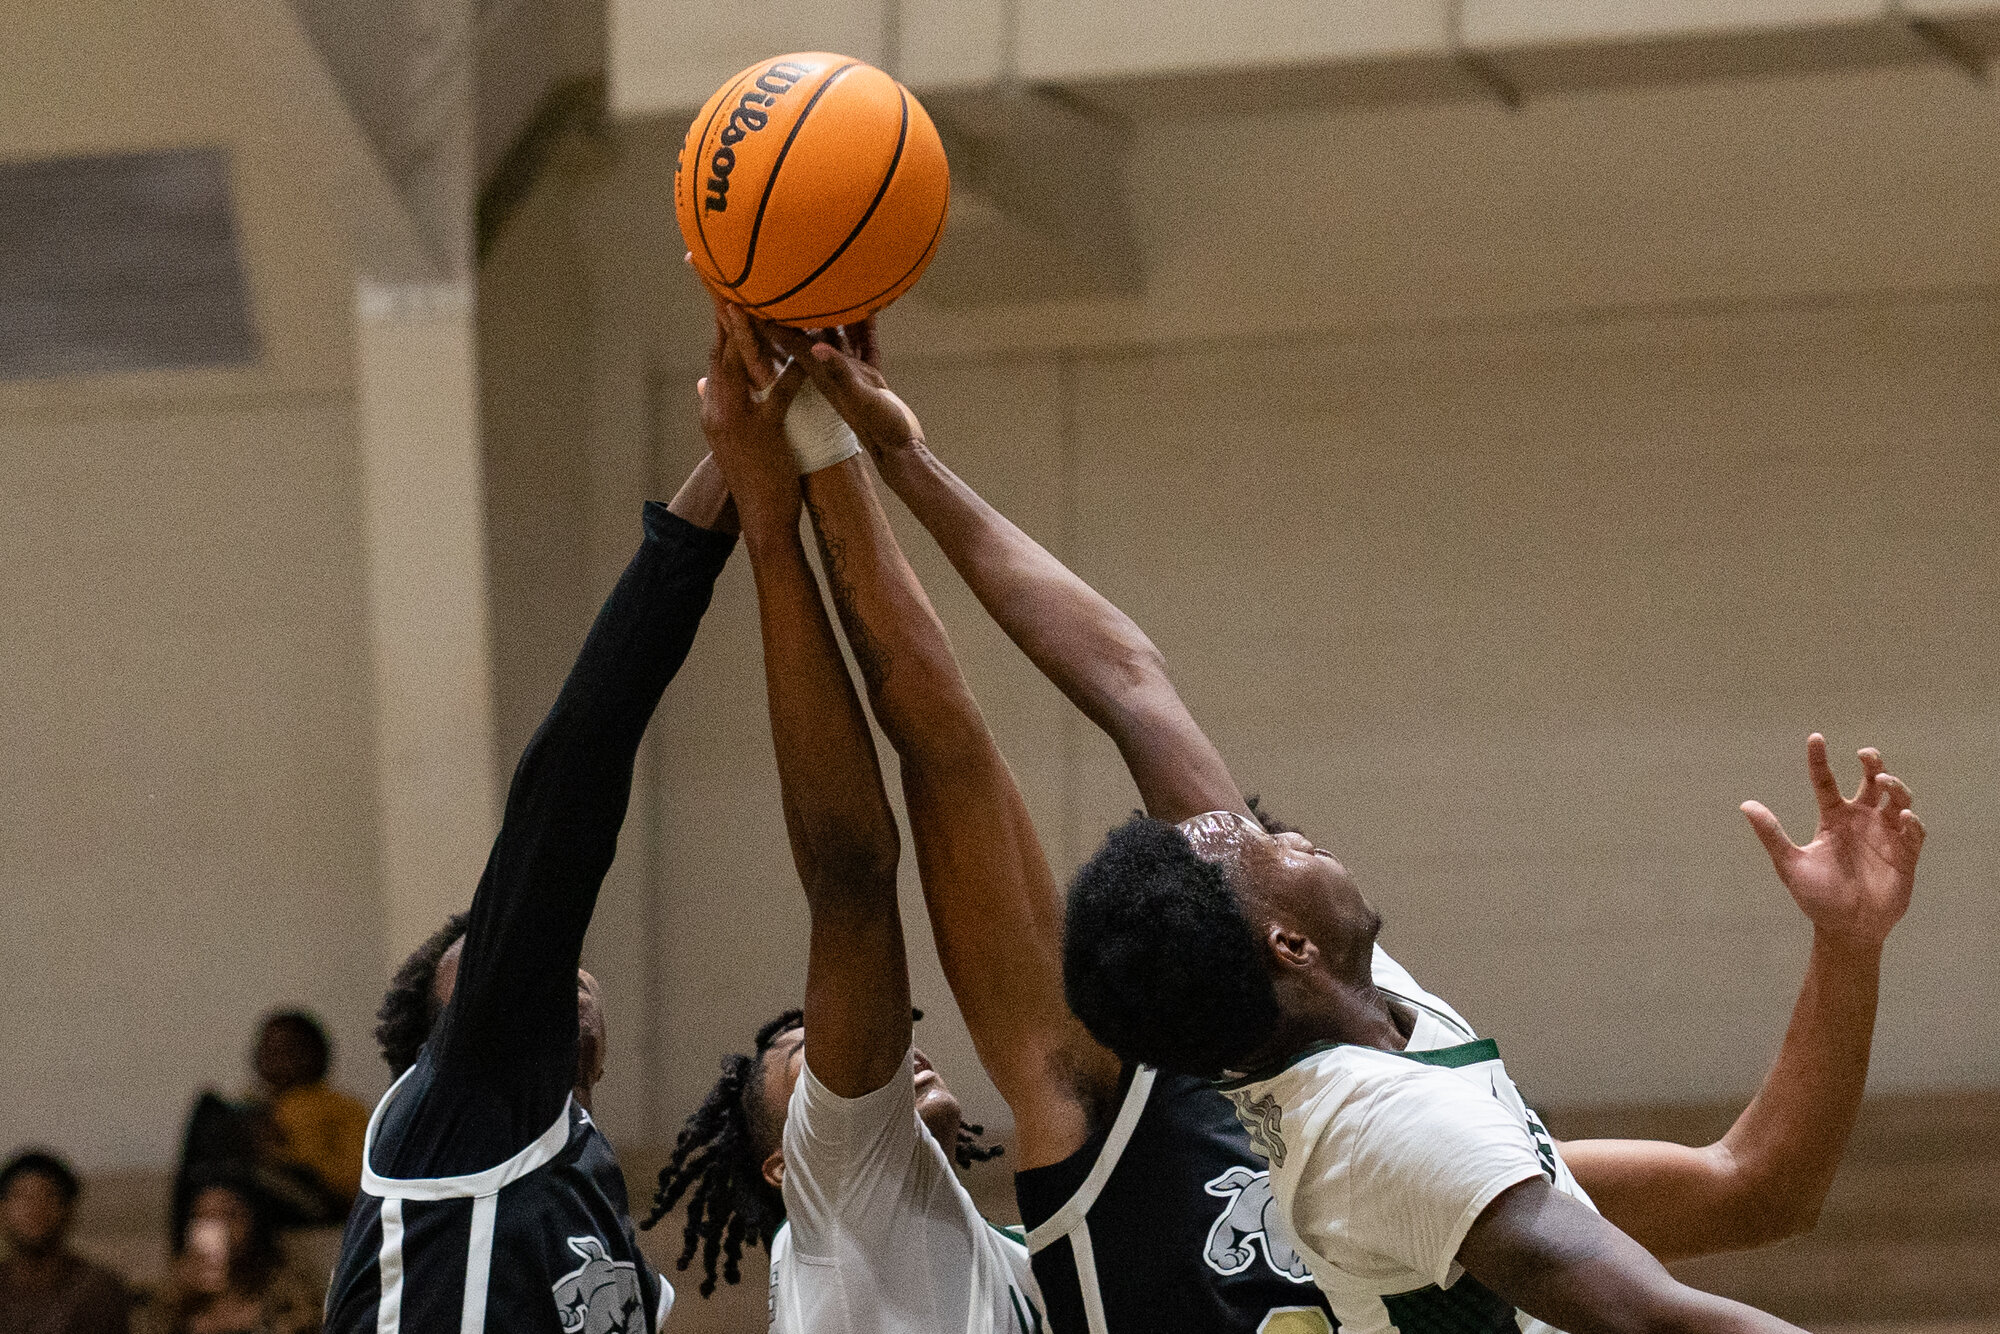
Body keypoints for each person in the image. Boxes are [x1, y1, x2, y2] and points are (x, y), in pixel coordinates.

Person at [757, 312, 1931, 1334]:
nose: (1267, 824)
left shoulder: (1395, 1057)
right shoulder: (1260, 1115)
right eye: (1257, 844)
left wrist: (894, 450)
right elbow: (946, 748)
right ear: (1284, 941)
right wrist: (820, 456)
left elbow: (1127, 682)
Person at [641, 310, 1033, 1333]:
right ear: (790, 1160)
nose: (867, 1040)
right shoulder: (842, 1188)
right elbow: (852, 878)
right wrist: (774, 520)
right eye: (805, 1056)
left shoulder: (996, 1257)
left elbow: (950, 764)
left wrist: (828, 439)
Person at [322, 455, 742, 1334]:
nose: (547, 975)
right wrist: (715, 498)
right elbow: (571, 780)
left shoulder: (580, 1175)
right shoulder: (459, 1104)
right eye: (495, 971)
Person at [138, 1172, 319, 1334]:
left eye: (230, 1215)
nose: (218, 1228)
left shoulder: (287, 1299)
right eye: (202, 1216)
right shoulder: (177, 1304)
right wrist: (177, 1300)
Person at [0, 1150, 130, 1334]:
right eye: (23, 1197)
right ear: (3, 1210)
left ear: (69, 1210)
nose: (35, 1208)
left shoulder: (98, 1290)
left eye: (48, 1196)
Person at [250, 1012, 369, 1211]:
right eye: (268, 1051)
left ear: (318, 1054)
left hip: (317, 1201)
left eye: (288, 1051)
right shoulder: (251, 1106)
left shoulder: (343, 1108)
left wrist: (288, 1154)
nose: (275, 1061)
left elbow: (355, 1179)